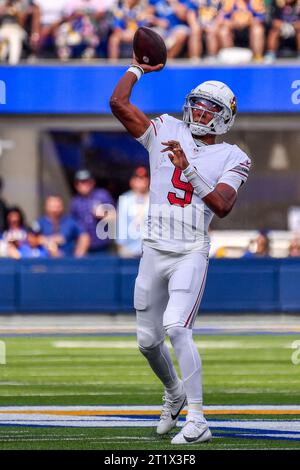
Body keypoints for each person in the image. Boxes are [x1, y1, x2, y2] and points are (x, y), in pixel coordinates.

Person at [110, 57, 251, 444]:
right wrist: (137, 68)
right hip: (154, 249)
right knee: (146, 341)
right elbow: (119, 104)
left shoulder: (233, 156)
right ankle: (173, 392)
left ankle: (199, 418)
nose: (200, 111)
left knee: (177, 327)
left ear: (224, 118)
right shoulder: (166, 127)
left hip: (190, 249)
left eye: (211, 108)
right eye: (198, 103)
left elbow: (221, 206)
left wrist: (189, 169)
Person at [70, 169, 115, 254]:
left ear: (92, 182)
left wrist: (104, 214)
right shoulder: (75, 202)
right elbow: (73, 224)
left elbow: (116, 217)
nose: (83, 185)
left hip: (103, 246)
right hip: (85, 248)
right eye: (79, 182)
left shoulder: (102, 195)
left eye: (86, 181)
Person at [117, 165, 150, 258]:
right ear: (132, 181)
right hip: (129, 249)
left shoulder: (154, 198)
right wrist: (120, 245)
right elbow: (121, 223)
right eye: (138, 178)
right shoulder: (125, 199)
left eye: (143, 178)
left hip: (150, 250)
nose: (140, 181)